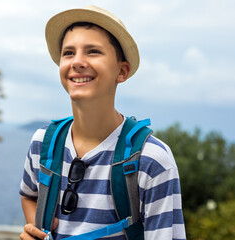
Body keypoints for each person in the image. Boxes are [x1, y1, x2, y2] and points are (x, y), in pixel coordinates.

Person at [19, 5, 186, 240]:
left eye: (93, 51)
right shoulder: (43, 144)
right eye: (68, 53)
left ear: (122, 71)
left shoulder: (151, 160)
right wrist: (38, 228)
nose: (77, 61)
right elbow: (29, 194)